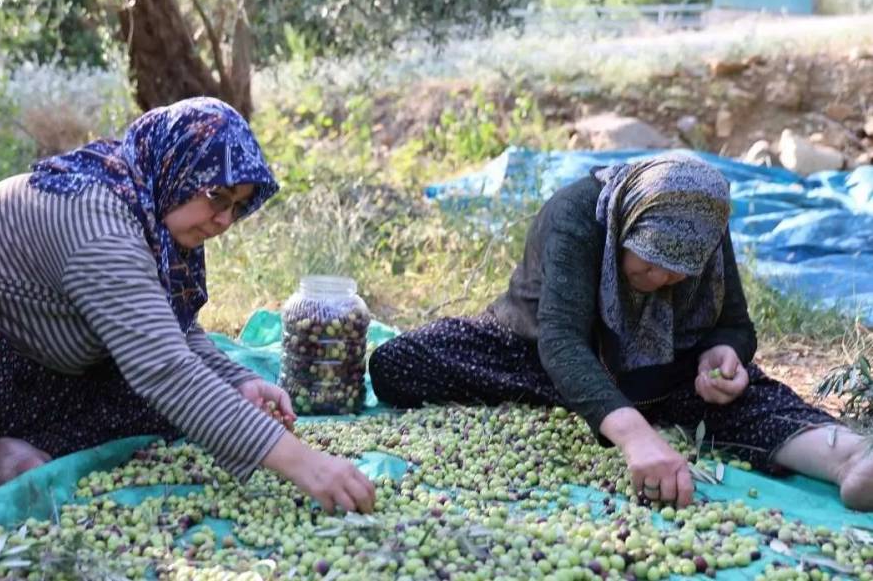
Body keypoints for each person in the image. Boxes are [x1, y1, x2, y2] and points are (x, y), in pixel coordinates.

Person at [0, 97, 375, 528]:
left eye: (238, 208)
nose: (224, 222)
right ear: (175, 168)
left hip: (6, 387)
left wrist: (239, 380)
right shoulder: (97, 218)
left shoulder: (153, 219)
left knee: (166, 397)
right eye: (216, 198)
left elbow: (164, 334)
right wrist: (308, 466)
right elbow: (165, 368)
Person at [369, 156, 873, 510]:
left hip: (665, 371)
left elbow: (734, 324)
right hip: (537, 357)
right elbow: (560, 342)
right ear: (628, 227)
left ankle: (852, 460)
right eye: (651, 267)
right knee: (398, 363)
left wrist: (721, 356)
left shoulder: (704, 226)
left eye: (678, 277)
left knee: (750, 402)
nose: (661, 284)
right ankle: (604, 404)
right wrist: (636, 438)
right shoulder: (577, 216)